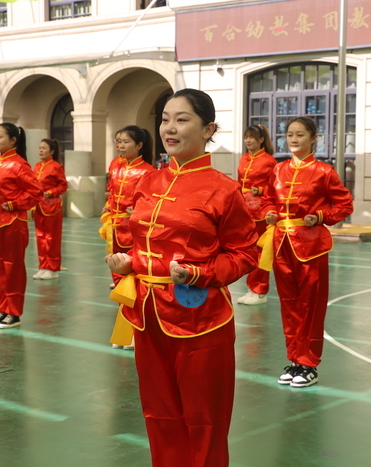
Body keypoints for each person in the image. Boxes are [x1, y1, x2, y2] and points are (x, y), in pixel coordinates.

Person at [106, 89, 258, 467]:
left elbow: (245, 253)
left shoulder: (224, 189)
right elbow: (139, 240)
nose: (169, 128)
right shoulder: (149, 181)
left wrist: (202, 273)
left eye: (182, 119)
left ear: (208, 129)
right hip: (146, 314)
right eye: (165, 119)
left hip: (201, 319)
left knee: (205, 419)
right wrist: (129, 262)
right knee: (159, 414)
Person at [259, 116, 353, 388]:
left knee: (311, 306)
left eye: (300, 134)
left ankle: (309, 363)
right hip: (280, 245)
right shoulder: (277, 170)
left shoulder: (324, 172)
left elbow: (344, 205)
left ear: (314, 139)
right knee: (289, 305)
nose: (294, 139)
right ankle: (294, 360)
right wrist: (267, 212)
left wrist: (321, 216)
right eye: (290, 134)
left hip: (311, 247)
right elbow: (266, 199)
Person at [99, 125, 155, 350]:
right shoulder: (115, 165)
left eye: (125, 142)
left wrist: (139, 211)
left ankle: (136, 330)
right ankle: (125, 329)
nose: (120, 146)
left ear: (139, 145)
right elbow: (111, 190)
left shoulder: (148, 171)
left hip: (134, 229)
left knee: (135, 278)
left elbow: (150, 201)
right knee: (119, 279)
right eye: (118, 141)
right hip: (114, 226)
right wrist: (107, 204)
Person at [0, 123, 42, 329]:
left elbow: (35, 192)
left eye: (0, 137)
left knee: (13, 266)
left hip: (13, 221)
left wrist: (14, 204)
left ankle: (14, 312)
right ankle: (2, 309)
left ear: (13, 140)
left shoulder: (19, 164)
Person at [235, 124, 276, 305]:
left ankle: (260, 290)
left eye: (252, 137)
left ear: (261, 140)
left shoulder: (269, 161)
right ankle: (251, 288)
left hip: (260, 210)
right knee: (249, 251)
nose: (248, 140)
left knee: (261, 251)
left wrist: (259, 189)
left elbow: (275, 186)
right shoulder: (244, 158)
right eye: (246, 137)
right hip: (244, 209)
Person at [32, 138, 67, 280]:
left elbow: (63, 186)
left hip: (52, 206)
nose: (40, 150)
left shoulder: (56, 166)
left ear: (51, 151)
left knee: (51, 238)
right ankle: (43, 266)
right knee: (40, 237)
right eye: (39, 147)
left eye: (44, 148)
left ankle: (53, 269)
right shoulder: (36, 166)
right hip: (38, 206)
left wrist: (51, 192)